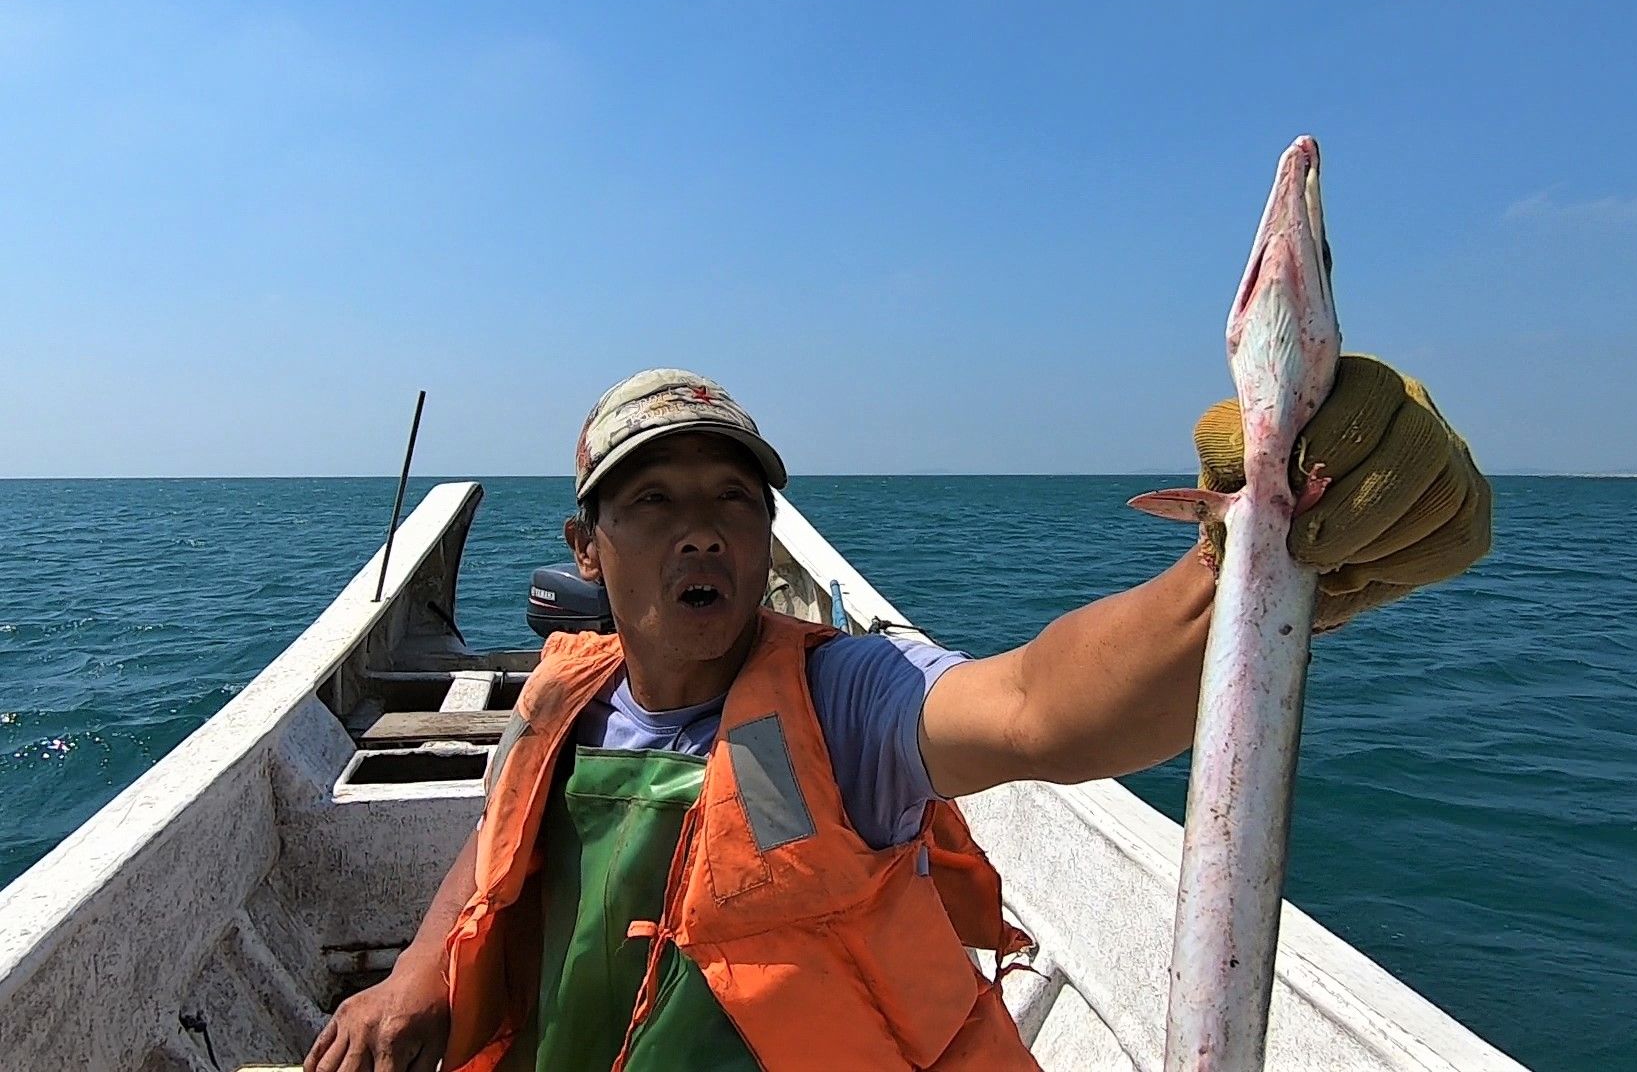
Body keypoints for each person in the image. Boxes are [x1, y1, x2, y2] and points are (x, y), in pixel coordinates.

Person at [304, 360, 1491, 1072]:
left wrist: (1233, 571)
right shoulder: (567, 698)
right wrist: (413, 981)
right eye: (653, 502)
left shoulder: (836, 704)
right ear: (587, 550)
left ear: (765, 541)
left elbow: (1039, 708)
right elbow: (496, 848)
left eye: (732, 499)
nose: (701, 529)